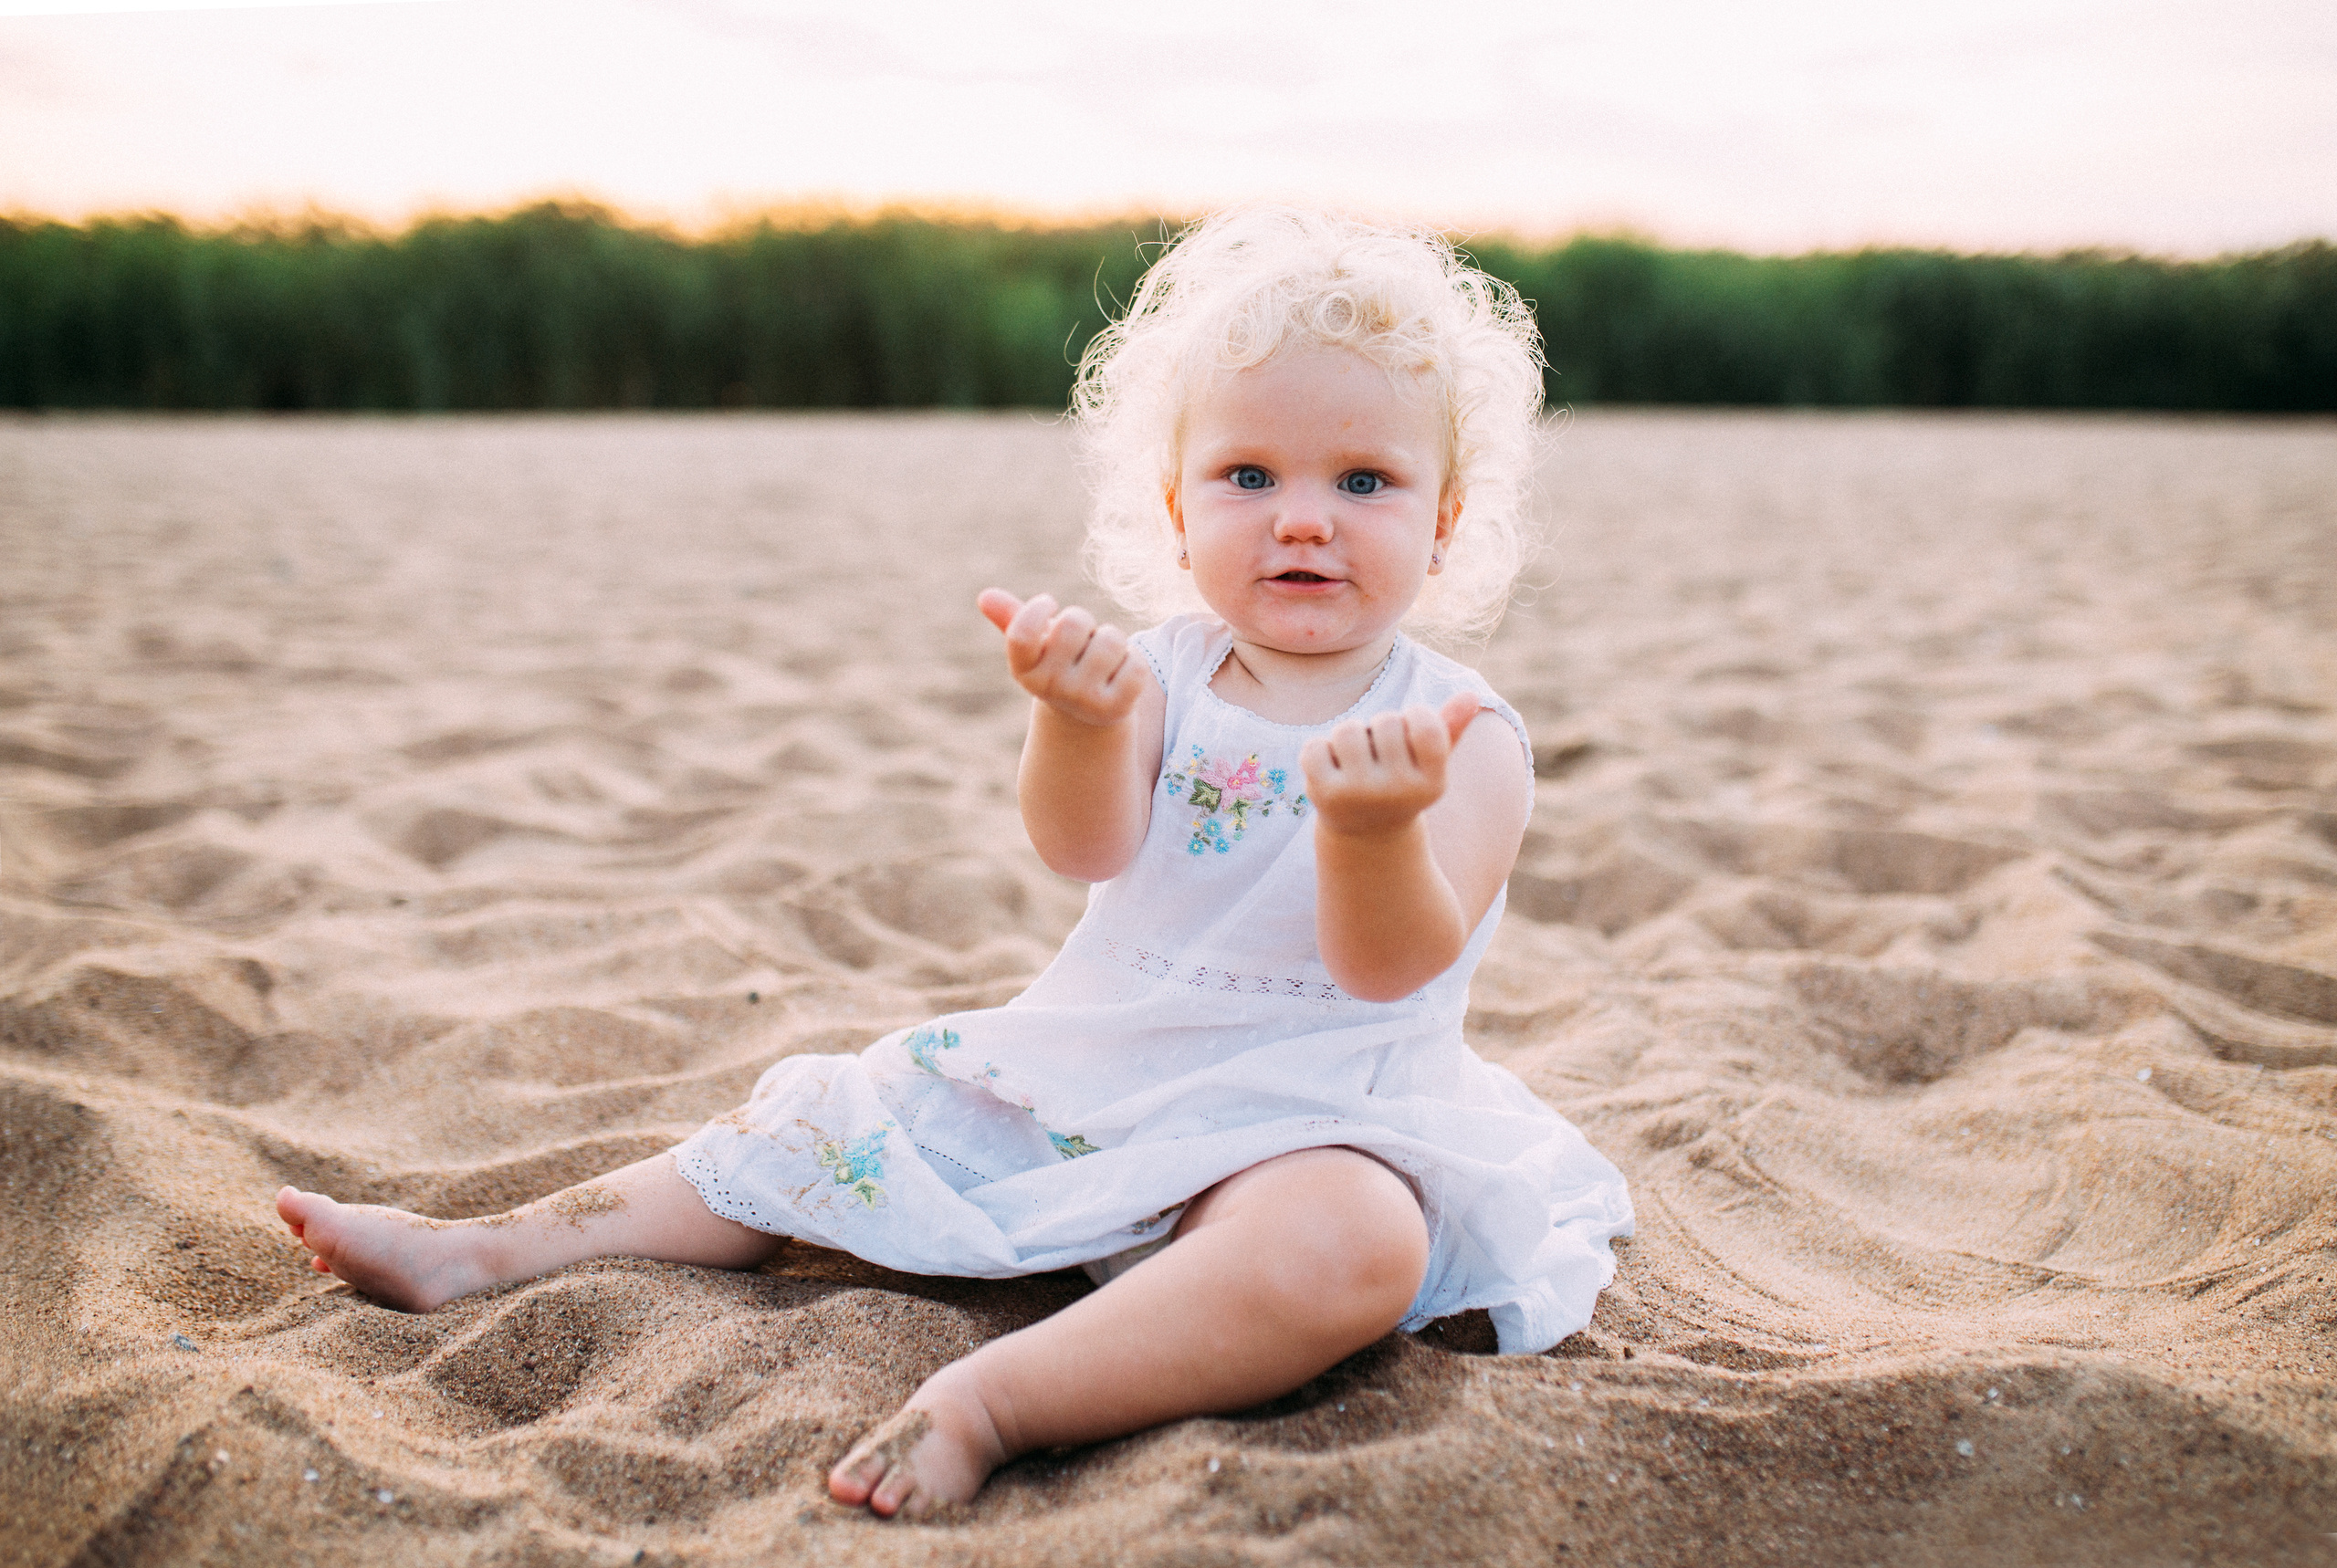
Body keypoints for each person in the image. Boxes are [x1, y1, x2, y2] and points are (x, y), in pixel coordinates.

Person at [276, 206, 1633, 1519]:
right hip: (1095, 1070)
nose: (1301, 519)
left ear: (1445, 520)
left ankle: (996, 1400)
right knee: (822, 1118)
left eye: (1363, 481)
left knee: (1357, 1242)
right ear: (1175, 506)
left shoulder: (1461, 733)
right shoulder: (1162, 672)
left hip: (1315, 1113)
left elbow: (1389, 962)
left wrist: (1374, 828)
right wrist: (1076, 717)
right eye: (1249, 476)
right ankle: (483, 1251)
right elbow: (1078, 844)